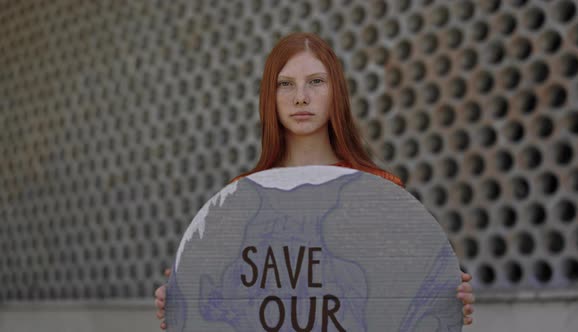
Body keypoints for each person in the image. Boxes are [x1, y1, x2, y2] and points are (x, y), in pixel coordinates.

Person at [155, 32, 475, 329]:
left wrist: (448, 297)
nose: (301, 98)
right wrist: (184, 294)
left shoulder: (379, 189)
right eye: (286, 84)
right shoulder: (241, 198)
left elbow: (405, 297)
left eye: (316, 81)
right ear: (270, 95)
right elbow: (224, 301)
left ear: (336, 91)